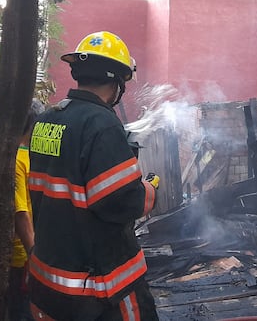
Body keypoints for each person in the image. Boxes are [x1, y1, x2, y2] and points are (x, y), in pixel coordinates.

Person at [27, 31, 160, 321]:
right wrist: (149, 191)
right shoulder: (101, 124)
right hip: (99, 289)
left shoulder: (46, 119)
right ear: (117, 83)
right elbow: (121, 203)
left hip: (46, 279)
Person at [8, 99, 46, 321]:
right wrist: (32, 254)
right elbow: (20, 212)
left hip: (35, 249)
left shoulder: (30, 156)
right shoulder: (16, 161)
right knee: (22, 311)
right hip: (22, 255)